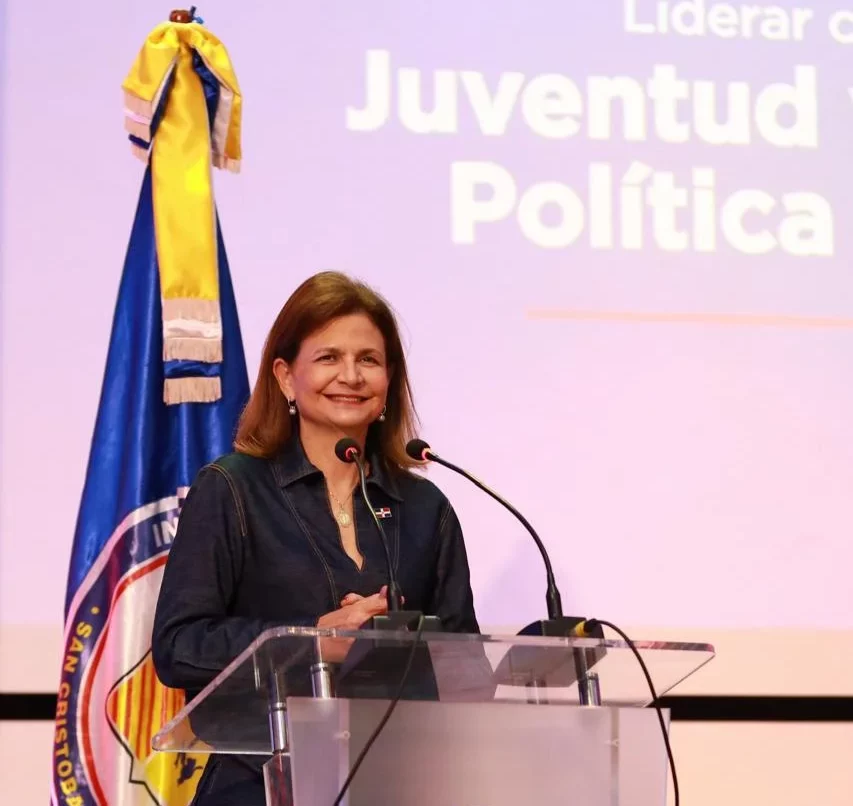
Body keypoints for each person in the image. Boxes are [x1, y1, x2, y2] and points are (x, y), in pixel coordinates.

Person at [152, 271, 481, 805]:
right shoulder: (232, 490)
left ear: (389, 380)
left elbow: (467, 672)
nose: (350, 375)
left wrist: (401, 645)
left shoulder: (427, 509)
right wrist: (310, 641)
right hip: (258, 784)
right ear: (286, 377)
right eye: (329, 357)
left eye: (368, 359)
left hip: (396, 786)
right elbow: (179, 648)